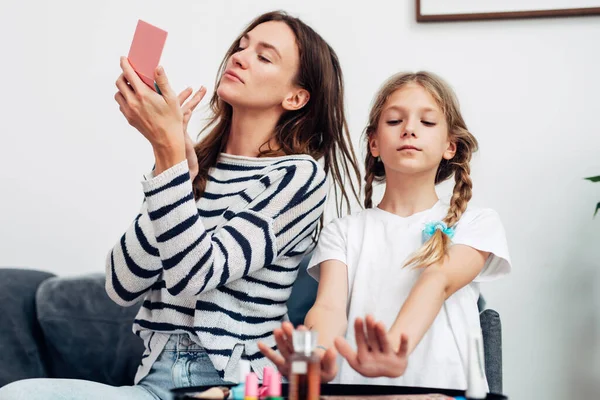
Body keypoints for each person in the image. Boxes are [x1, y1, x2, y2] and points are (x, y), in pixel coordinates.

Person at [0, 10, 360, 400]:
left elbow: (197, 275)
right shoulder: (190, 165)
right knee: (20, 392)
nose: (240, 56)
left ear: (296, 97)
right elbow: (122, 284)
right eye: (242, 46)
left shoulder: (297, 177)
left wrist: (170, 157)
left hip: (228, 386)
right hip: (155, 381)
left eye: (264, 56)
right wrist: (170, 167)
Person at [259, 71, 511, 391]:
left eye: (427, 123)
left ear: (451, 146)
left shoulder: (476, 224)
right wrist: (316, 356)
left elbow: (438, 281)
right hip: (356, 393)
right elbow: (328, 308)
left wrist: (393, 346)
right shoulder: (344, 231)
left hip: (444, 392)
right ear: (374, 144)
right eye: (394, 121)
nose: (409, 129)